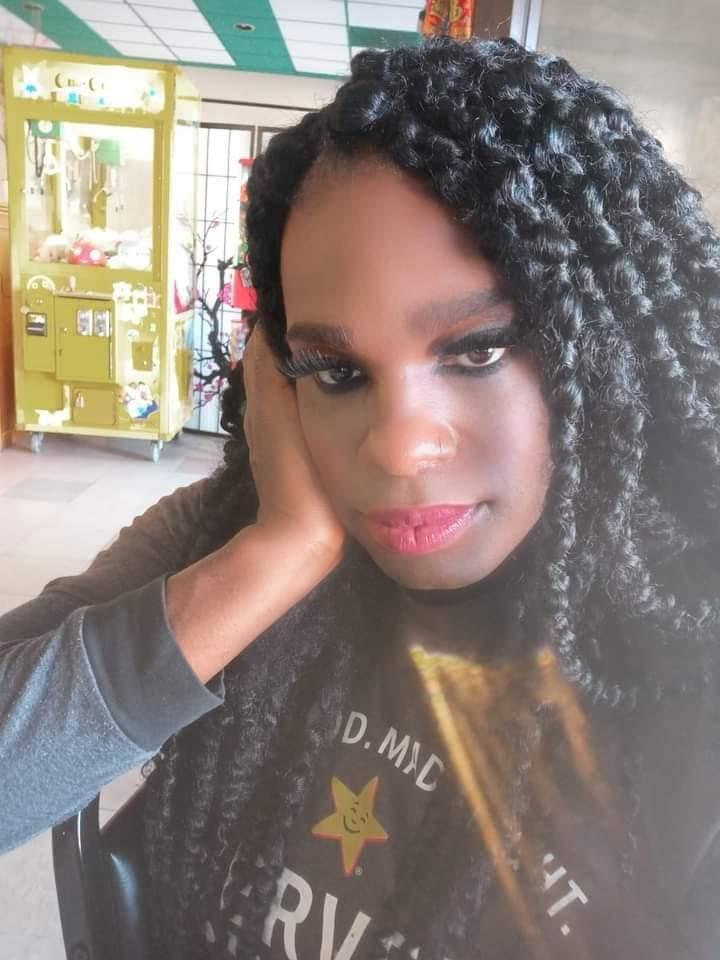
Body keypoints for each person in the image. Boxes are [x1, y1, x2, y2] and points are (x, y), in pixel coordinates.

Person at [2, 36, 720, 960]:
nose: (397, 444)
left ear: (607, 348)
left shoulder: (687, 652)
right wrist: (278, 557)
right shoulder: (229, 534)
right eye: (335, 370)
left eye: (477, 350)